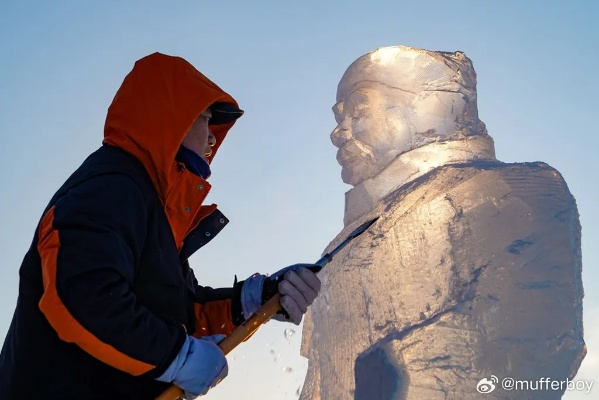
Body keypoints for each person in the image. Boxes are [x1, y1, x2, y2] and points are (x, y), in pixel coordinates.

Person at [0, 52, 321, 400]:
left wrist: (255, 299)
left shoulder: (151, 213)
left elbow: (186, 315)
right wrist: (174, 358)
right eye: (206, 120)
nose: (213, 140)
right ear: (174, 120)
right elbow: (81, 295)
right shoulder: (111, 186)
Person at [300, 46, 584, 399]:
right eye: (338, 116)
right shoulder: (339, 250)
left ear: (424, 107)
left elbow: (529, 340)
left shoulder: (512, 190)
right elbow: (320, 379)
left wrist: (398, 375)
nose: (338, 133)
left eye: (358, 110)